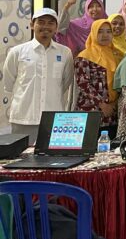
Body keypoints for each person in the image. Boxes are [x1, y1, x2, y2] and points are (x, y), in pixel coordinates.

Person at [3, 8, 73, 144]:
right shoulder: (17, 52)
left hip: (54, 119)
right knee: (21, 156)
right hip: (23, 118)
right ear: (32, 25)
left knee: (52, 156)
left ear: (56, 27)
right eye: (41, 22)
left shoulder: (65, 53)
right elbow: (9, 83)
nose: (46, 26)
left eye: (50, 23)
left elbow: (66, 82)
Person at [74, 19, 120, 137]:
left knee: (110, 146)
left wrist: (113, 105)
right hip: (90, 112)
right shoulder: (84, 56)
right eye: (100, 31)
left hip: (112, 114)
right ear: (93, 33)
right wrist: (102, 105)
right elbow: (84, 85)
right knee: (90, 145)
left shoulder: (116, 55)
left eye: (108, 31)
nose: (105, 35)